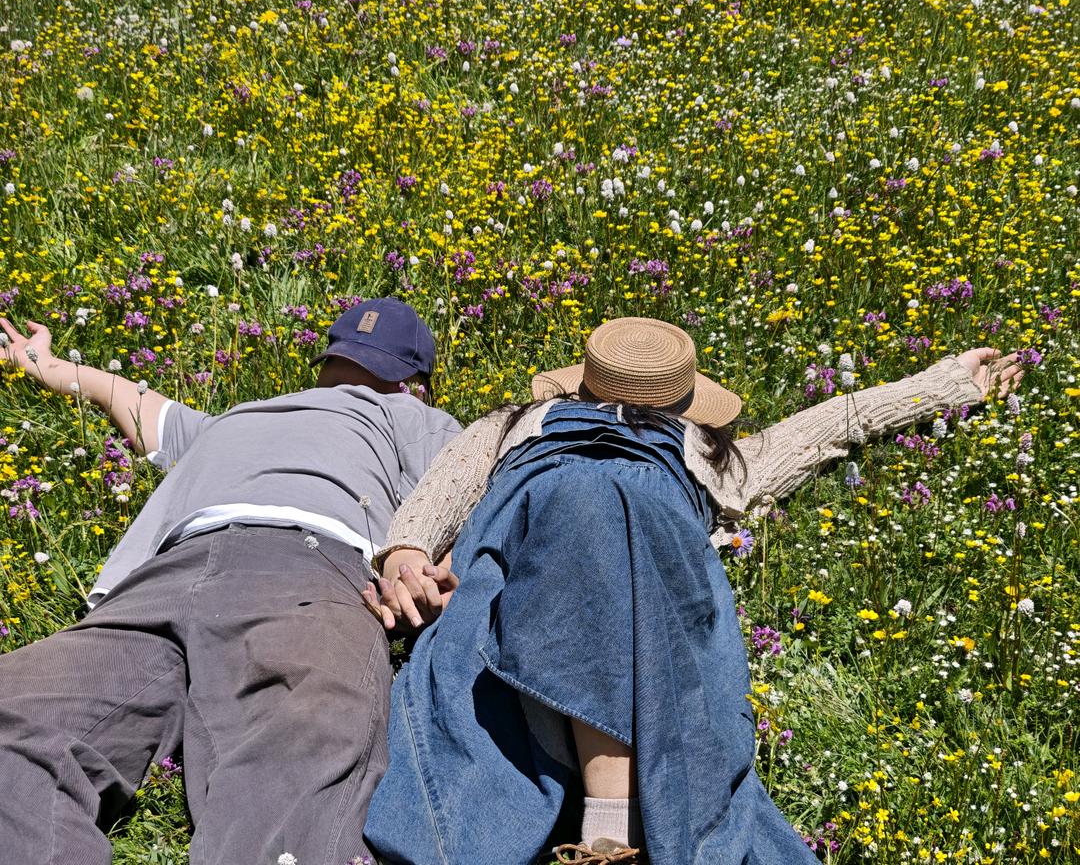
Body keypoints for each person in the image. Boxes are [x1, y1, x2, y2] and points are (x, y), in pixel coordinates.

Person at [362, 317, 1022, 864]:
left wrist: (947, 384)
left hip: (643, 588)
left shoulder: (690, 451)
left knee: (608, 510)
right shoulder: (521, 429)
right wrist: (409, 554)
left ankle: (605, 829)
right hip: (523, 587)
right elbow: (436, 501)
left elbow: (831, 426)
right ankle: (610, 830)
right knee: (585, 500)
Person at [0, 297, 461, 865]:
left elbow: (139, 404)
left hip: (161, 578)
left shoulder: (243, 415)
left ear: (325, 362)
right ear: (415, 381)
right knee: (298, 750)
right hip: (303, 572)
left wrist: (47, 366)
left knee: (15, 725)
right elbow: (458, 493)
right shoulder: (416, 419)